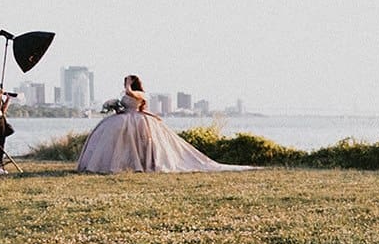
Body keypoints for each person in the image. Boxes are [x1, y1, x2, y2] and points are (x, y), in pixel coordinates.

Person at [75, 75, 254, 174]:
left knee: (139, 145)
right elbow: (125, 103)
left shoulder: (140, 93)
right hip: (125, 118)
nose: (125, 85)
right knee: (119, 143)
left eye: (127, 82)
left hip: (137, 120)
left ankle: (141, 165)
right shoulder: (128, 93)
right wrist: (115, 108)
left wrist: (129, 86)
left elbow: (134, 97)